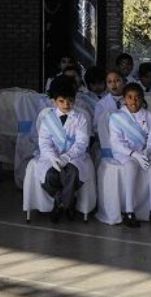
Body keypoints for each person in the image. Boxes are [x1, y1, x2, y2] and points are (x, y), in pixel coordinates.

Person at [36, 75, 91, 223]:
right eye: (61, 101)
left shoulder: (81, 118)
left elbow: (81, 142)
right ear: (54, 101)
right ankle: (68, 202)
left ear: (74, 99)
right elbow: (44, 142)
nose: (66, 104)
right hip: (52, 156)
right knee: (50, 175)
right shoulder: (48, 119)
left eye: (70, 100)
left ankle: (60, 205)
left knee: (72, 172)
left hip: (74, 156)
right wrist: (53, 157)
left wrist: (66, 157)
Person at [108, 83, 151, 228]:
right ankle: (129, 212)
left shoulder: (150, 116)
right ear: (124, 99)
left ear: (142, 99)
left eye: (137, 97)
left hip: (145, 152)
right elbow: (116, 142)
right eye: (130, 97)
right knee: (131, 166)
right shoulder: (116, 117)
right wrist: (133, 154)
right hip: (125, 153)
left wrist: (146, 151)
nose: (134, 101)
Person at [94, 69, 125, 133]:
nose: (113, 84)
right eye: (109, 82)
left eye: (117, 80)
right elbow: (96, 126)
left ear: (124, 82)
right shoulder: (101, 104)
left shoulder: (131, 100)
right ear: (106, 85)